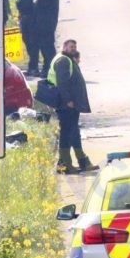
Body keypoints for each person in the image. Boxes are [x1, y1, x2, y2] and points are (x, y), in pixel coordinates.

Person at [48, 39, 98, 174]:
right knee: (67, 133)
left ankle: (81, 161)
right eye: (71, 46)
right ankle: (65, 164)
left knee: (73, 132)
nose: (73, 48)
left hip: (70, 105)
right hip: (66, 105)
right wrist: (68, 100)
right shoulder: (63, 60)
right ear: (64, 47)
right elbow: (62, 83)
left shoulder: (67, 59)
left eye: (75, 46)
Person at [15, 0, 42, 76]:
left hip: (32, 18)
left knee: (33, 42)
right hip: (23, 18)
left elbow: (37, 3)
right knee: (26, 41)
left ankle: (34, 67)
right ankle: (31, 66)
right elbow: (19, 2)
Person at [33, 0, 59, 76]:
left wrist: (36, 1)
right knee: (43, 47)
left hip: (48, 24)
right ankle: (46, 67)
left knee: (48, 47)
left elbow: (42, 3)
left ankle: (51, 68)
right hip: (41, 24)